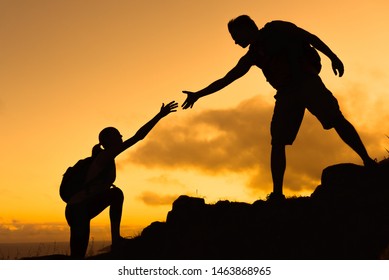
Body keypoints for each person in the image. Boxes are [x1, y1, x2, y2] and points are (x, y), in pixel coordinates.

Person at [182, 15, 376, 200]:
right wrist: (198, 94)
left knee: (335, 120)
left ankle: (367, 161)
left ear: (246, 29)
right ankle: (277, 194)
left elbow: (308, 37)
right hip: (286, 94)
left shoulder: (277, 28)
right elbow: (228, 79)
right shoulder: (252, 55)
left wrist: (333, 56)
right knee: (278, 141)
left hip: (307, 83)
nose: (234, 42)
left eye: (235, 36)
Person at [65, 101, 178, 258]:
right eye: (117, 135)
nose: (121, 137)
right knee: (77, 256)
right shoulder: (105, 155)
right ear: (109, 140)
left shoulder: (106, 158)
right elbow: (138, 137)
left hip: (80, 209)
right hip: (78, 210)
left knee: (115, 194)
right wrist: (160, 115)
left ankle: (116, 239)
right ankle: (116, 240)